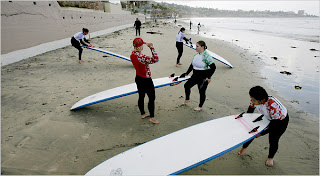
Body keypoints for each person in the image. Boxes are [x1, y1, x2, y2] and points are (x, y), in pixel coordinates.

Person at [238, 86, 289, 167]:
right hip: (268, 116)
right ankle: (243, 149)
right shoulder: (255, 99)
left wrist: (261, 134)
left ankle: (270, 158)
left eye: (254, 100)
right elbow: (250, 110)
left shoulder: (273, 106)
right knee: (251, 131)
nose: (252, 101)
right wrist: (248, 121)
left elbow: (274, 125)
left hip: (280, 121)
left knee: (273, 139)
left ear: (262, 100)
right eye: (251, 98)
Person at [130, 37, 160, 124]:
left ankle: (143, 113)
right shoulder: (142, 57)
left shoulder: (132, 54)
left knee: (141, 96)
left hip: (138, 77)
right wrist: (151, 47)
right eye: (142, 45)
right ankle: (152, 117)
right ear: (139, 47)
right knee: (151, 97)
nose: (143, 46)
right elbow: (156, 59)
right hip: (146, 79)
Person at [180, 40, 216, 111]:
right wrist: (186, 73)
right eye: (195, 46)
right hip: (195, 75)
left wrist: (209, 77)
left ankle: (200, 106)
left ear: (202, 47)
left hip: (203, 77)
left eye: (197, 46)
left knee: (201, 92)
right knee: (186, 86)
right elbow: (192, 65)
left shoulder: (206, 56)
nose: (195, 47)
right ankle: (187, 99)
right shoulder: (196, 54)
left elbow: (213, 67)